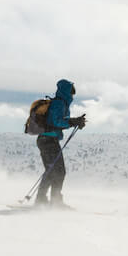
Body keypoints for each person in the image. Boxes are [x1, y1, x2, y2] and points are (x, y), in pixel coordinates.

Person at [34, 78, 86, 208]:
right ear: (67, 92)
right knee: (58, 171)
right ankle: (55, 201)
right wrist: (72, 122)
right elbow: (55, 122)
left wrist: (74, 121)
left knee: (52, 170)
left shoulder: (60, 103)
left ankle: (42, 199)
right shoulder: (59, 103)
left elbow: (59, 121)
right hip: (48, 140)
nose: (73, 96)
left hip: (47, 140)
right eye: (72, 93)